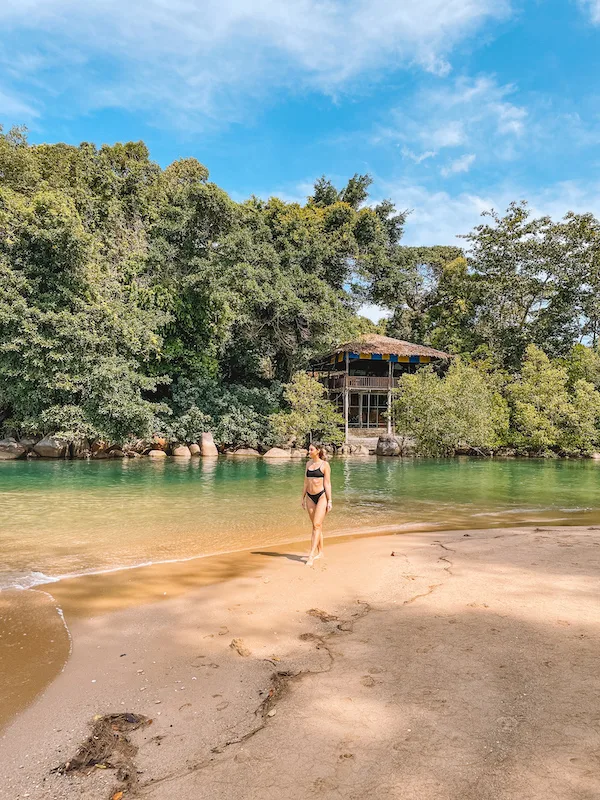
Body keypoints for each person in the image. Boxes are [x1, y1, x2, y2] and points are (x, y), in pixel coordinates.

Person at [301, 443, 332, 566]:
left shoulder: (325, 465)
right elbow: (305, 482)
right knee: (316, 526)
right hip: (309, 497)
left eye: (311, 449)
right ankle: (321, 552)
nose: (309, 451)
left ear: (317, 451)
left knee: (316, 524)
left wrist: (330, 500)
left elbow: (328, 484)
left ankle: (311, 555)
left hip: (322, 497)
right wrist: (302, 498)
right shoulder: (308, 464)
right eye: (309, 449)